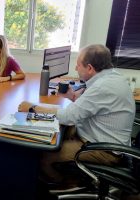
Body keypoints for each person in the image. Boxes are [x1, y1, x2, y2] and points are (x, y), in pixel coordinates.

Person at [18, 44, 135, 183]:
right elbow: (94, 105)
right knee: (55, 136)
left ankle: (66, 185)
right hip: (100, 137)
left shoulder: (102, 87)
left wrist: (32, 107)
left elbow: (67, 117)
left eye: (78, 65)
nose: (75, 68)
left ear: (90, 68)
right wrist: (73, 97)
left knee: (44, 154)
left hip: (105, 151)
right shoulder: (112, 77)